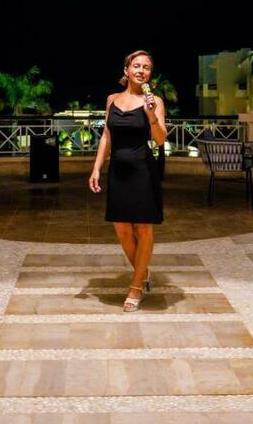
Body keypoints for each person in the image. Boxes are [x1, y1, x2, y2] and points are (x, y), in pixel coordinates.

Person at [89, 50, 167, 312]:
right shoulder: (112, 99)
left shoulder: (155, 101)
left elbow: (160, 139)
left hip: (143, 169)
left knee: (143, 229)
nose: (141, 70)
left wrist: (151, 114)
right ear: (126, 70)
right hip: (118, 171)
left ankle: (135, 287)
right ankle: (143, 273)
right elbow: (106, 135)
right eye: (136, 65)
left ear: (149, 73)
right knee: (122, 228)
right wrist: (96, 168)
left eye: (146, 67)